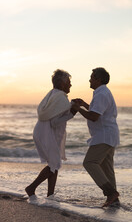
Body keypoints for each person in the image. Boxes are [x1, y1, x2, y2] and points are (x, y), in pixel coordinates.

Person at [25, 69, 79, 198]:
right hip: (47, 133)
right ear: (62, 84)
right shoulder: (60, 98)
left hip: (42, 131)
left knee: (54, 164)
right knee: (54, 164)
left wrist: (71, 106)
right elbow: (55, 122)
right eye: (69, 82)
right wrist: (73, 112)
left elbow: (52, 115)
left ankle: (50, 194)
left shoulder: (52, 94)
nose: (70, 85)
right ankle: (31, 187)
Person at [74, 67, 120, 207]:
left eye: (92, 77)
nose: (90, 79)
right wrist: (84, 104)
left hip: (103, 136)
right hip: (108, 135)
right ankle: (114, 201)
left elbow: (94, 117)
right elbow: (97, 111)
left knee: (90, 163)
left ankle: (110, 193)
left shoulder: (101, 94)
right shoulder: (102, 92)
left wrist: (78, 109)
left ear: (98, 79)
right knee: (107, 168)